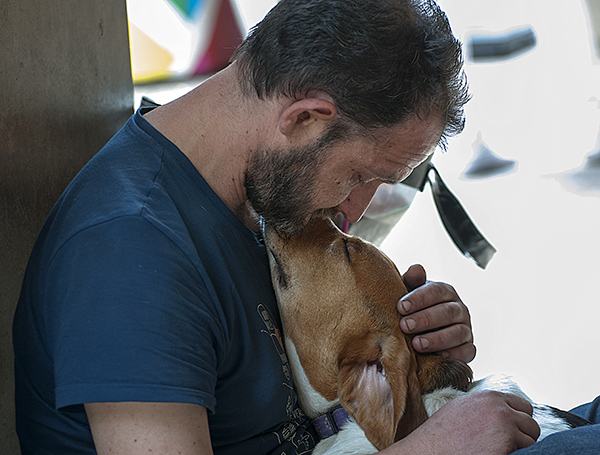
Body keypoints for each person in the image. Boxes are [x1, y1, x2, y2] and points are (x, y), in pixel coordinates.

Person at [12, 0, 546, 454]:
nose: (356, 211)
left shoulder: (259, 200)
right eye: (359, 176)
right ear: (304, 118)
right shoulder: (130, 254)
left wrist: (415, 355)